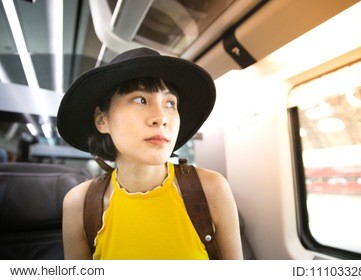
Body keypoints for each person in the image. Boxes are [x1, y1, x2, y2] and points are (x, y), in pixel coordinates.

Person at [57, 47, 243, 260]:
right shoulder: (79, 205)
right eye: (140, 100)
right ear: (102, 120)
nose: (161, 117)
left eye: (170, 103)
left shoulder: (211, 189)